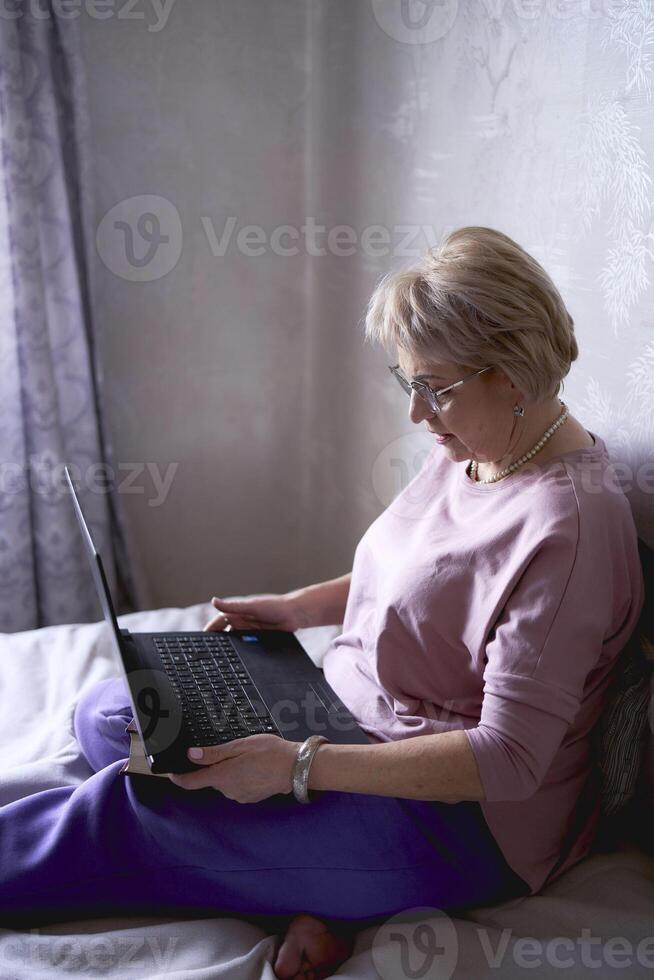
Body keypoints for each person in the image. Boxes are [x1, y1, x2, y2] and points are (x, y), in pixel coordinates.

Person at [0, 226, 644, 980]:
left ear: (512, 374)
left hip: (450, 822)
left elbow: (507, 761)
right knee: (113, 715)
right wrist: (293, 609)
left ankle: (314, 876)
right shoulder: (482, 446)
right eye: (409, 384)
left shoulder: (566, 532)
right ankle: (314, 890)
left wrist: (296, 767)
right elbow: (420, 577)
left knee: (133, 808)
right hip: (342, 715)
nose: (417, 414)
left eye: (434, 388)